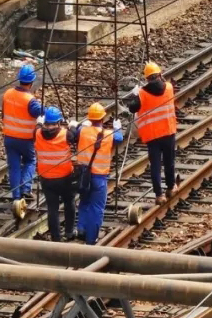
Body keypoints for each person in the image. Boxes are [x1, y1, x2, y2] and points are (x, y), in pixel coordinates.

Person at [71, 102, 124, 245]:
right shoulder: (107, 135)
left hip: (83, 175)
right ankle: (91, 238)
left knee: (84, 202)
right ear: (102, 118)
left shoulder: (82, 130)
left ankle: (81, 229)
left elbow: (74, 132)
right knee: (96, 208)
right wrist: (117, 128)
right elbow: (119, 138)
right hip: (99, 177)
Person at [126, 61, 178, 205]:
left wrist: (135, 95)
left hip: (152, 136)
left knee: (155, 165)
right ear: (160, 75)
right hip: (168, 131)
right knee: (169, 161)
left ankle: (159, 195)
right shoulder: (169, 87)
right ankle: (171, 187)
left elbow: (132, 109)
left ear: (147, 78)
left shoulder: (142, 94)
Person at [1, 63, 43, 218]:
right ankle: (26, 189)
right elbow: (40, 114)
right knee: (30, 161)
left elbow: (4, 114)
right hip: (25, 140)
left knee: (14, 167)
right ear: (31, 82)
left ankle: (16, 197)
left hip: (10, 138)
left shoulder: (7, 94)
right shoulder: (30, 100)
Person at [35, 106, 76, 241]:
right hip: (64, 177)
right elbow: (75, 136)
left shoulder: (37, 133)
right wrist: (72, 126)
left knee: (52, 208)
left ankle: (55, 238)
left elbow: (37, 128)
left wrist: (39, 123)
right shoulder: (65, 134)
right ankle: (69, 232)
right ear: (58, 122)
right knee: (69, 203)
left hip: (46, 178)